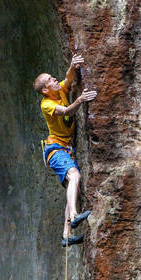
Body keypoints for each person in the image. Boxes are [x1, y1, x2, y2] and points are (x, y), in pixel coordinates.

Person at [33, 54, 97, 246]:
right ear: (45, 89)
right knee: (74, 176)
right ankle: (75, 215)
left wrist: (72, 65)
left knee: (73, 186)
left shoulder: (59, 90)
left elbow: (69, 78)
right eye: (51, 80)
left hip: (66, 149)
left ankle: (66, 234)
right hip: (55, 149)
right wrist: (80, 100)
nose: (55, 80)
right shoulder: (47, 104)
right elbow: (66, 111)